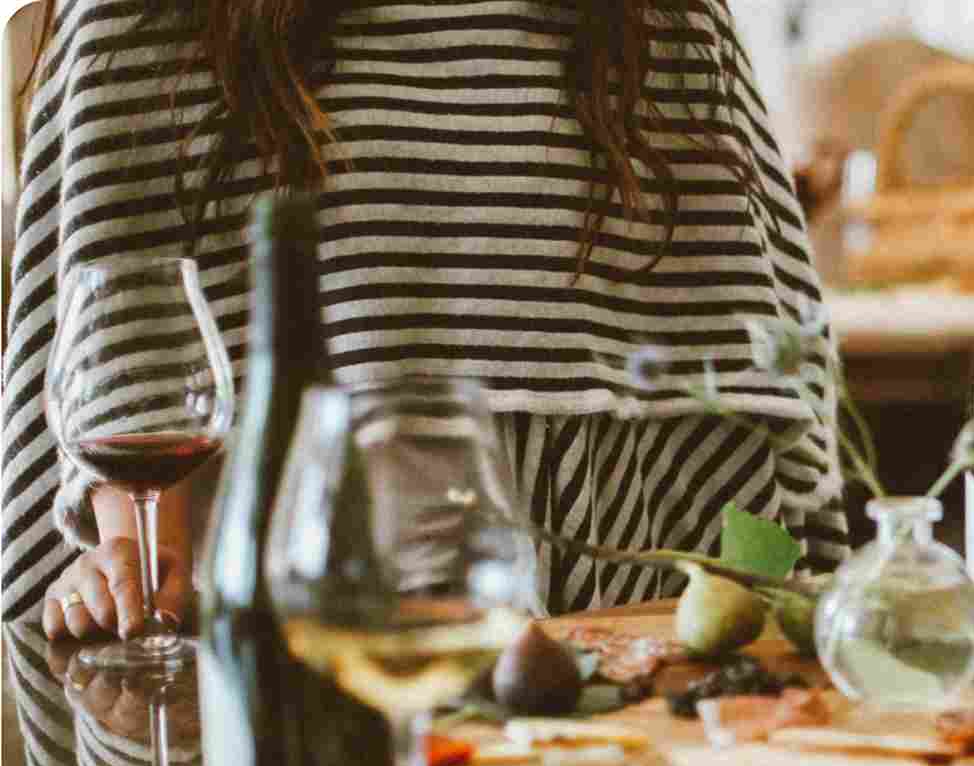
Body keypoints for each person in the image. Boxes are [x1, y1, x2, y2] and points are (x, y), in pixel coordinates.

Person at [6, 0, 847, 638]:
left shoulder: (659, 19)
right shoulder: (141, 18)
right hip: (286, 651)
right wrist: (133, 566)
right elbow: (128, 398)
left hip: (618, 634)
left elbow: (761, 410)